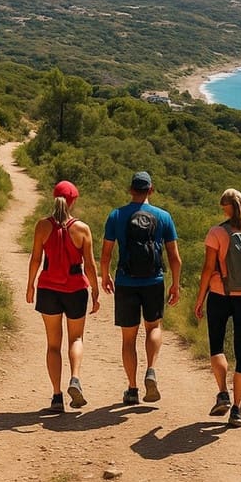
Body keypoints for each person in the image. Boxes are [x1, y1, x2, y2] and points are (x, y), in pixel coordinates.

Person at [193, 188, 241, 428]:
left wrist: (200, 298)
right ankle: (237, 410)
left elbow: (208, 269)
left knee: (217, 347)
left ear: (223, 207)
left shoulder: (216, 233)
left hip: (219, 295)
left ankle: (223, 393)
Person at [100, 170, 182, 405]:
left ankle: (133, 389)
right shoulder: (164, 217)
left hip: (126, 282)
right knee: (153, 327)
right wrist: (175, 284)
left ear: (131, 190)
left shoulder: (116, 215)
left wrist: (104, 277)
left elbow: (105, 254)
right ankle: (152, 370)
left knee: (128, 339)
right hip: (154, 281)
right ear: (151, 190)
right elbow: (174, 257)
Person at [26, 180, 100, 413]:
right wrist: (95, 292)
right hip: (76, 289)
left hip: (48, 289)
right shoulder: (82, 229)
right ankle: (75, 379)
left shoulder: (41, 226)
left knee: (53, 345)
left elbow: (36, 259)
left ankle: (57, 396)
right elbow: (89, 264)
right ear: (74, 201)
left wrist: (30, 286)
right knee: (76, 339)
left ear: (53, 198)